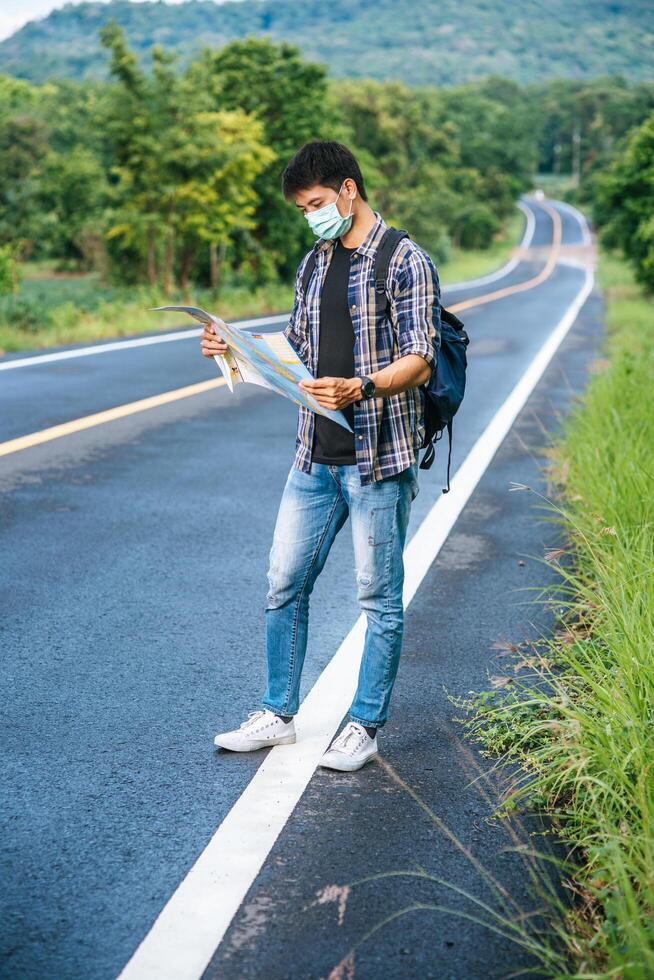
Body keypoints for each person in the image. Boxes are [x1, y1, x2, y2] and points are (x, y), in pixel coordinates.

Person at [201, 140, 441, 772]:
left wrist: (361, 386)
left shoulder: (404, 260)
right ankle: (277, 713)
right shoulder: (314, 261)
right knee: (284, 584)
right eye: (303, 208)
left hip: (378, 460)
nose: (311, 215)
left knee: (377, 598)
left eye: (315, 202)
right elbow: (295, 349)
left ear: (348, 191)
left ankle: (364, 724)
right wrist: (231, 348)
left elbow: (421, 356)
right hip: (313, 455)